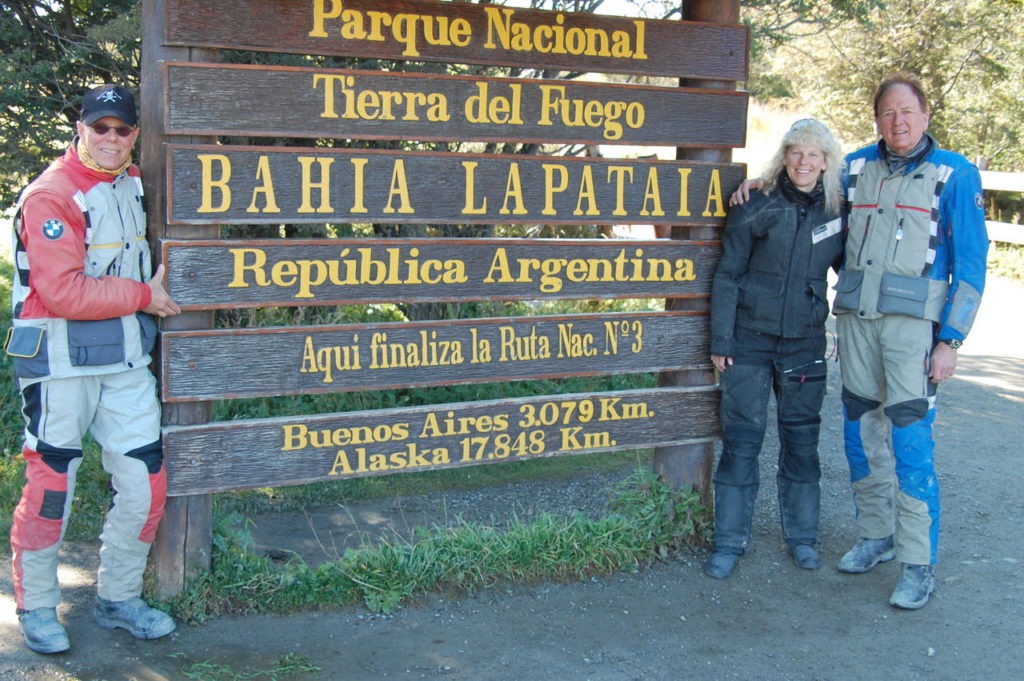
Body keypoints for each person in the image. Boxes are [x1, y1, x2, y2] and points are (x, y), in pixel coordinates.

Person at [731, 72, 988, 609]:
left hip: (913, 333)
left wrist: (952, 341)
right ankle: (877, 535)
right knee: (859, 437)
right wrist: (758, 183)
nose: (898, 122)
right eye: (888, 113)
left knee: (910, 442)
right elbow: (801, 187)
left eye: (907, 112)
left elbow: (970, 265)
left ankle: (919, 563)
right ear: (877, 120)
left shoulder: (955, 174)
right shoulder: (853, 169)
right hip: (855, 325)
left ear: (925, 116)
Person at [5, 84, 182, 654]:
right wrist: (141, 296)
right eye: (99, 127)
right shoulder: (51, 194)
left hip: (124, 358)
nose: (111, 138)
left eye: (122, 129)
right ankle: (35, 607)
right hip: (59, 364)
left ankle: (119, 598)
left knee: (145, 481)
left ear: (135, 135)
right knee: (52, 485)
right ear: (79, 128)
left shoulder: (131, 181)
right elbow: (61, 292)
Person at [705, 119, 845, 580]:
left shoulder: (838, 211)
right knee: (742, 440)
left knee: (802, 443)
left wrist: (846, 328)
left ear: (827, 161)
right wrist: (721, 340)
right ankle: (728, 542)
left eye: (813, 155)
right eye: (796, 153)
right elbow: (727, 274)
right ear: (784, 156)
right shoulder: (756, 203)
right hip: (748, 339)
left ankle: (803, 539)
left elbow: (853, 273)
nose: (804, 162)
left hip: (804, 342)